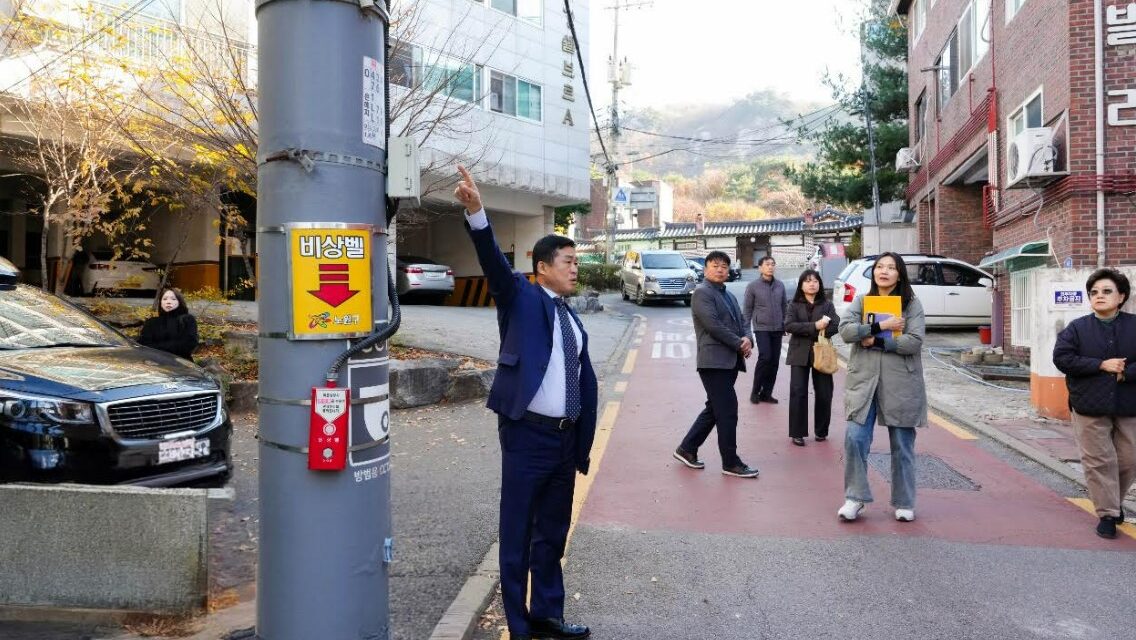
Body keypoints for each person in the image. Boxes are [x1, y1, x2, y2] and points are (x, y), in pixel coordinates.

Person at [454, 166, 594, 640]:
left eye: (577, 261)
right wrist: (476, 213)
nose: (576, 268)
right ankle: (519, 626)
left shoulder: (571, 316)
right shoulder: (520, 296)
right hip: (527, 435)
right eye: (569, 261)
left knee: (551, 534)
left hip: (563, 441)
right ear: (544, 267)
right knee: (516, 535)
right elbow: (492, 261)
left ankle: (546, 615)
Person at [837, 252, 927, 523]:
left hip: (901, 382)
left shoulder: (911, 304)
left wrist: (877, 341)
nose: (884, 271)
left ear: (900, 273)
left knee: (902, 442)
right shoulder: (862, 300)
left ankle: (904, 501)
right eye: (879, 267)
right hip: (864, 380)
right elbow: (846, 331)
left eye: (891, 267)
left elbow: (914, 341)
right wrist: (881, 326)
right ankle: (855, 498)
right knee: (855, 438)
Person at [1052, 268, 1136, 540]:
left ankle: (1114, 501)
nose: (1099, 296)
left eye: (1106, 291)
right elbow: (1062, 358)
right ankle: (1108, 513)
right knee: (1099, 460)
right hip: (1088, 403)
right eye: (1094, 292)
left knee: (1128, 459)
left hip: (1128, 404)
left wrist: (1125, 372)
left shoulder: (1134, 325)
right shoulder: (1077, 328)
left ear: (1121, 296)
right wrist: (1100, 364)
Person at [673, 251, 760, 478]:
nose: (720, 269)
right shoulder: (702, 293)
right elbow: (713, 326)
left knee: (715, 408)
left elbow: (742, 321)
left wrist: (748, 338)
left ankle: (687, 448)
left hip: (729, 361)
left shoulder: (728, 295)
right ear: (705, 269)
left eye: (724, 266)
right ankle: (730, 462)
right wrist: (739, 344)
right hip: (713, 362)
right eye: (715, 265)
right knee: (728, 411)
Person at [784, 269, 838, 446]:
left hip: (822, 352)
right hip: (799, 353)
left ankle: (821, 430)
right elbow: (789, 325)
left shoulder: (827, 304)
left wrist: (822, 329)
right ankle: (797, 432)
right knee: (798, 392)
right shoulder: (793, 304)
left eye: (815, 281)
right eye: (807, 281)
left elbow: (835, 325)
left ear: (820, 284)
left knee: (824, 393)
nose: (812, 284)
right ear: (801, 284)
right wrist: (815, 326)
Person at [743, 256, 787, 404]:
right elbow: (747, 310)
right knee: (765, 357)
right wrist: (747, 332)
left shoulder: (780, 285)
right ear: (760, 268)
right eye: (767, 264)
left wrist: (785, 323)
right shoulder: (753, 286)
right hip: (761, 328)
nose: (770, 267)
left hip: (778, 328)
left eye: (773, 264)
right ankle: (755, 391)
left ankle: (766, 393)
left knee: (774, 361)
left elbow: (784, 307)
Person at [137, 287, 198, 360]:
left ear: (179, 301)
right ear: (161, 303)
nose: (168, 302)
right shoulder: (151, 322)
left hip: (181, 364)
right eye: (165, 299)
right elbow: (144, 345)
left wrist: (158, 347)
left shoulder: (187, 320)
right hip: (156, 364)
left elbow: (188, 344)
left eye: (173, 299)